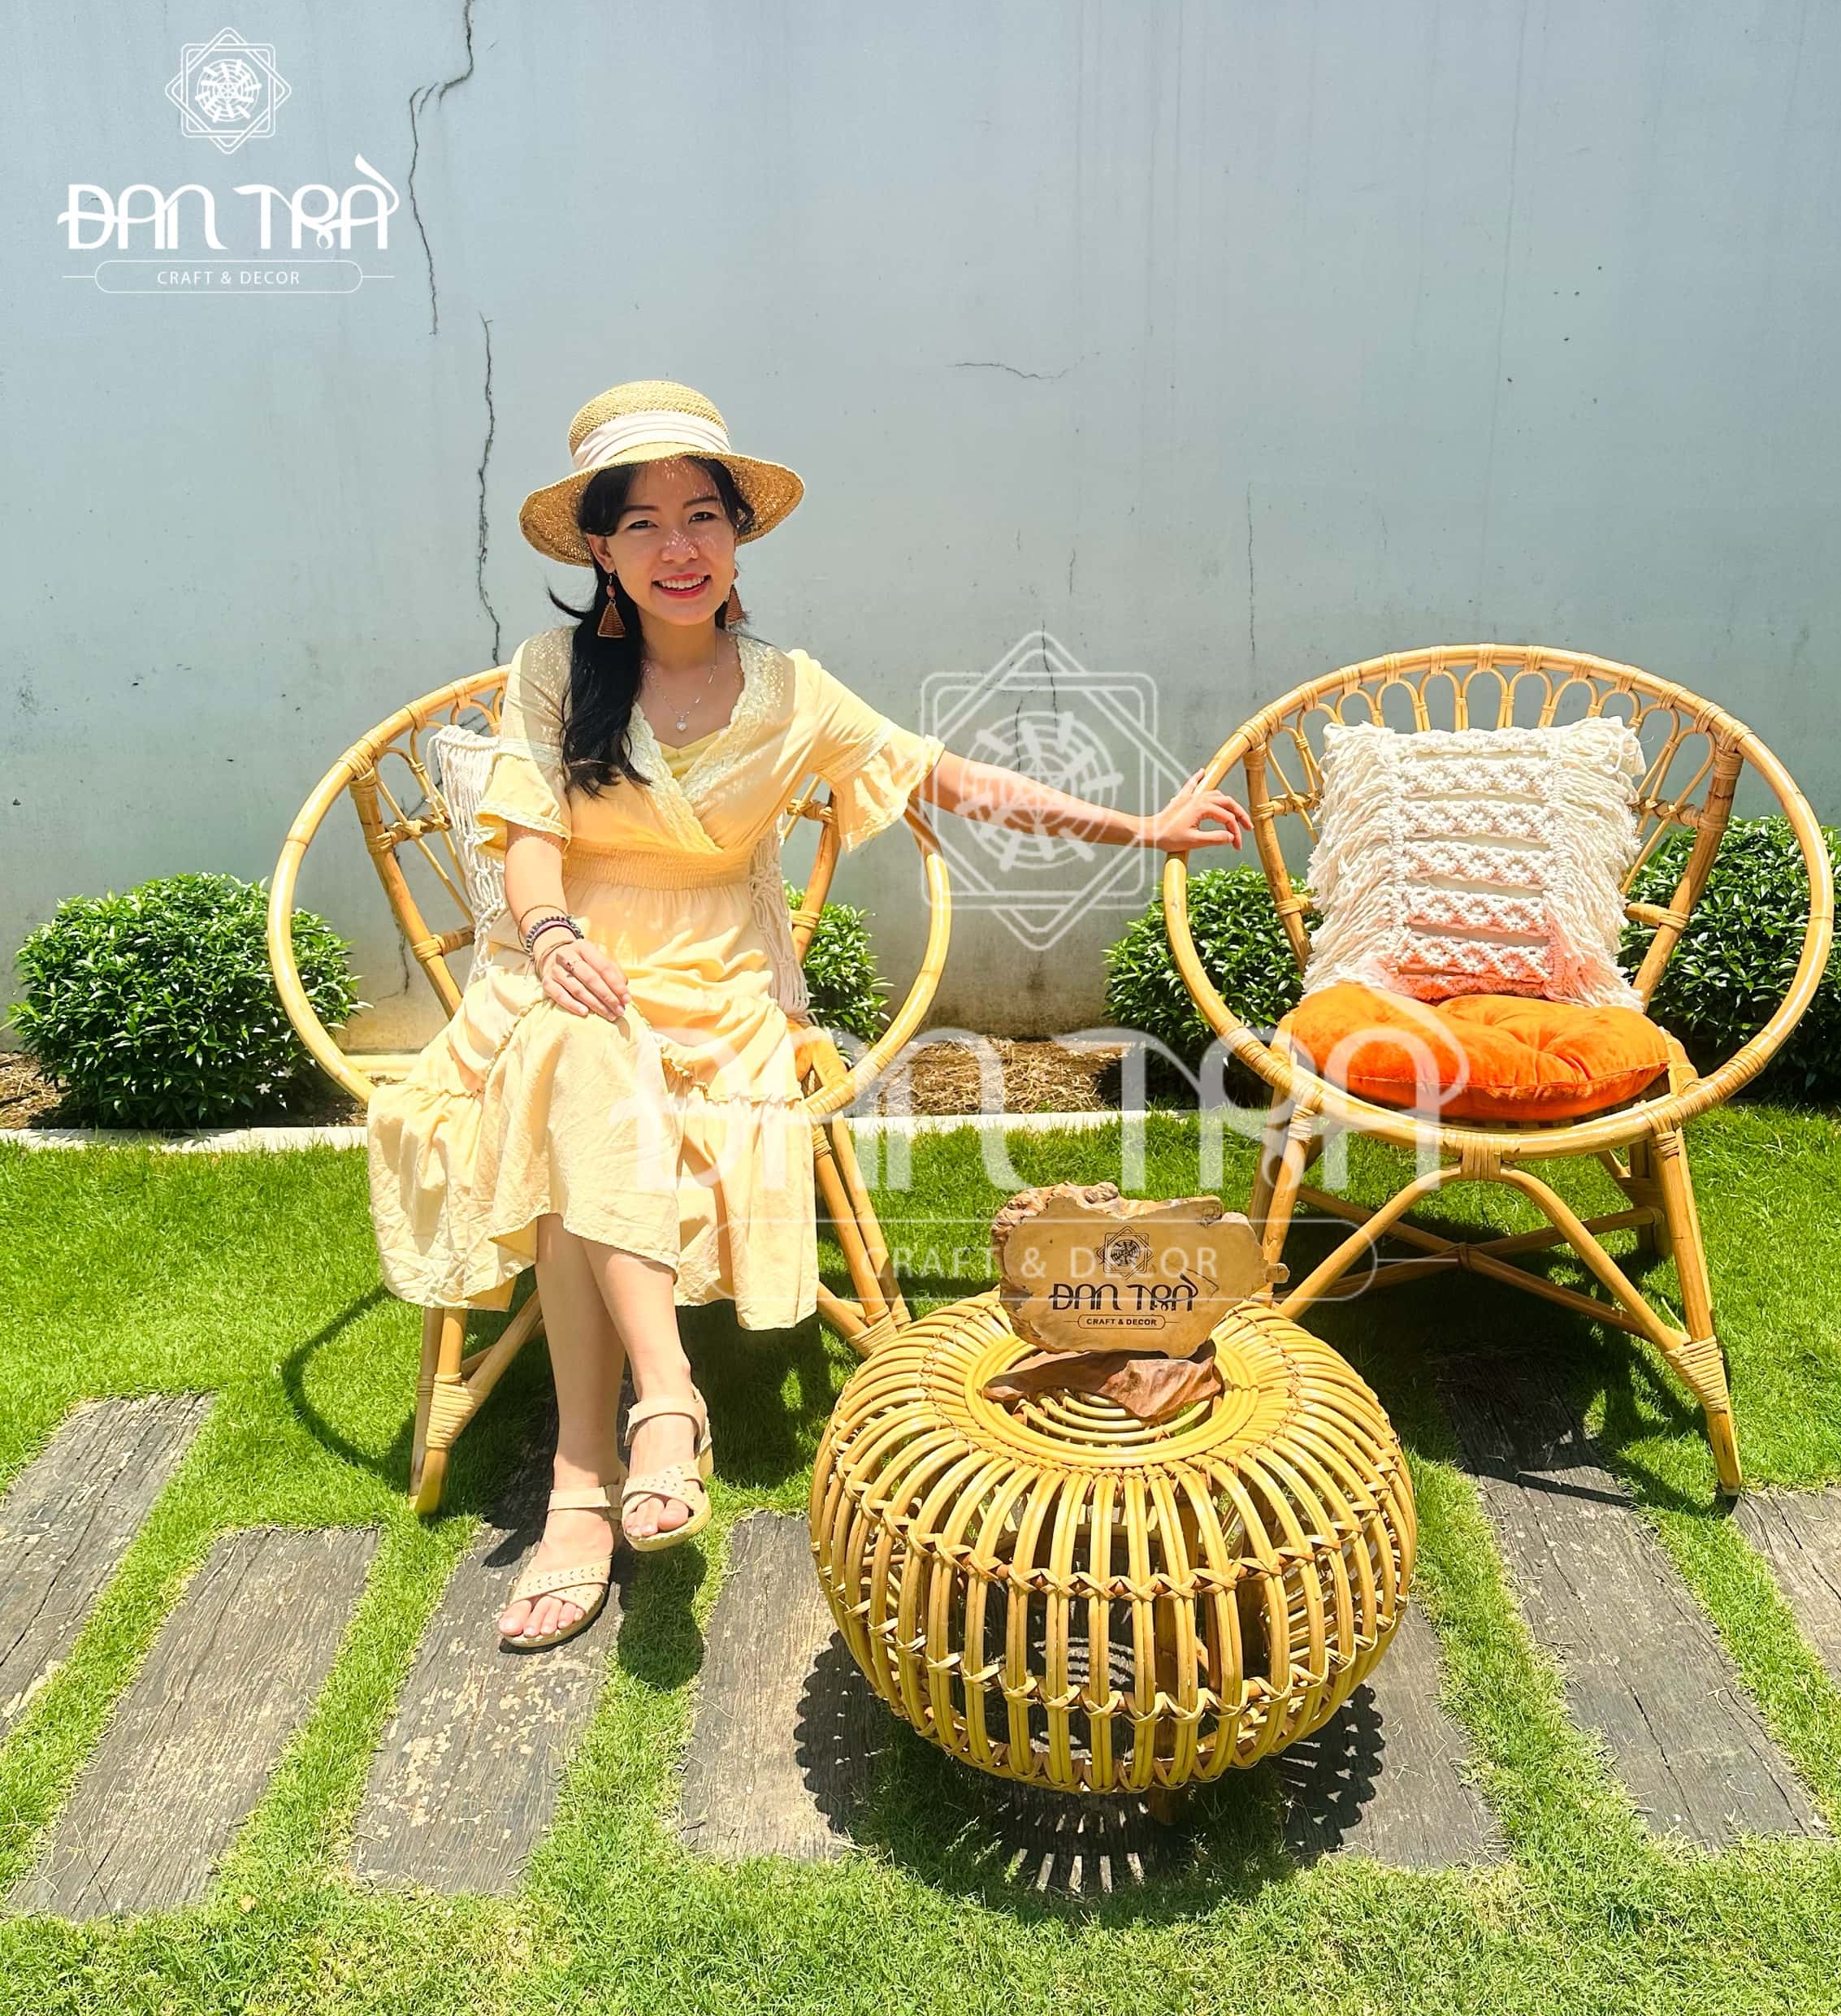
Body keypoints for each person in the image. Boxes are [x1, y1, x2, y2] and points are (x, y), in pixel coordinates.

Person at [366, 379, 1248, 1650]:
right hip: (561, 963)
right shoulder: (554, 672)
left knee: (574, 1100)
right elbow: (528, 837)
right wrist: (552, 937)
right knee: (572, 1047)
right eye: (643, 523)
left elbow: (951, 779)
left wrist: (1141, 826)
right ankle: (663, 1404)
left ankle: (581, 1485)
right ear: (603, 551)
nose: (679, 547)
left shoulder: (793, 693)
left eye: (703, 516)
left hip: (717, 980)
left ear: (738, 535)